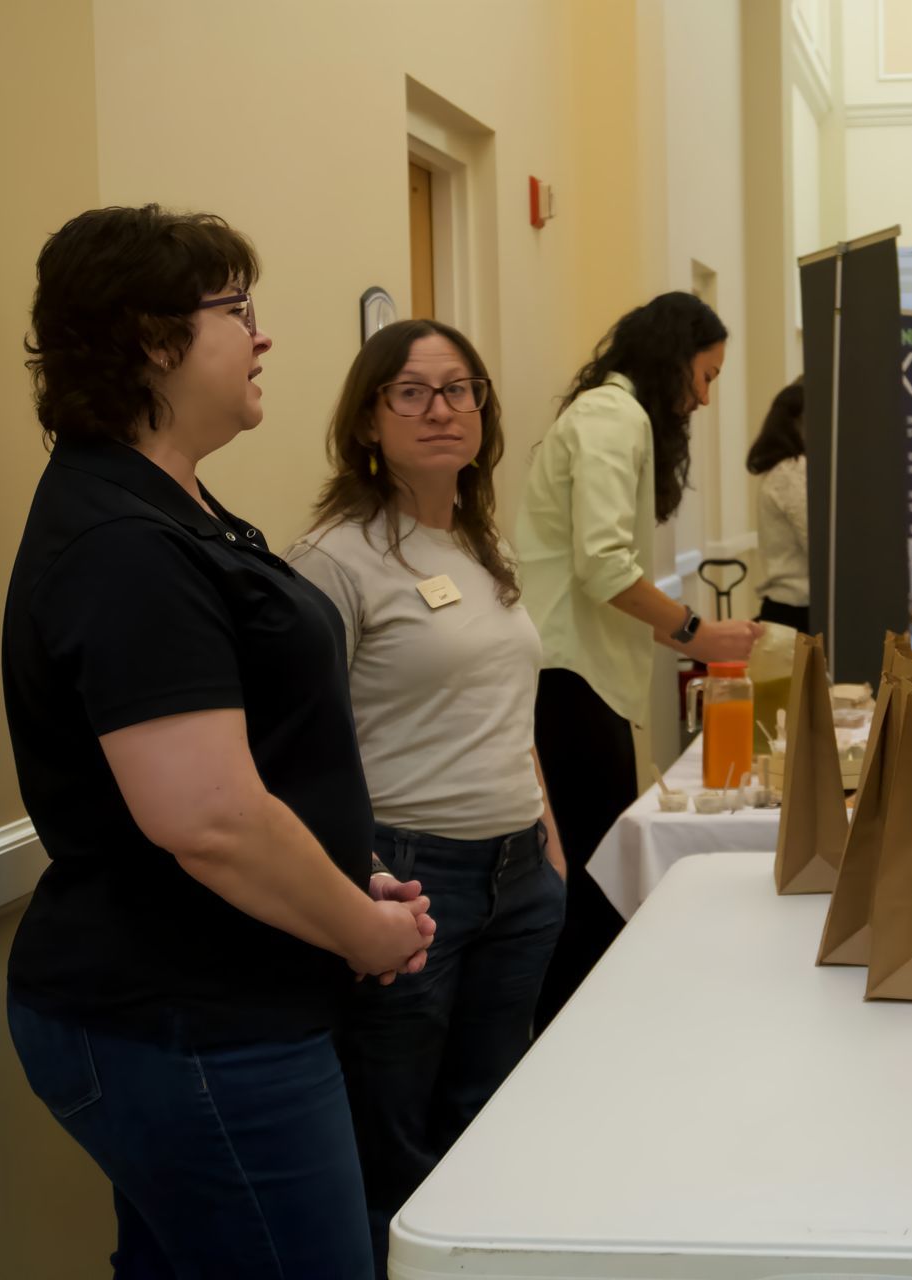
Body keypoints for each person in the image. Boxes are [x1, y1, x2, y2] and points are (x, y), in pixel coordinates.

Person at [1, 205, 434, 1277]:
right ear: (154, 339)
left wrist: (350, 881)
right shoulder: (123, 545)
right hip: (191, 1015)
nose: (262, 335)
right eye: (237, 310)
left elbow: (263, 763)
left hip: (219, 1000)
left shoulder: (173, 507)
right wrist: (361, 932)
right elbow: (211, 820)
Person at [285, 318, 567, 1274]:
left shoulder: (485, 546)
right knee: (396, 1151)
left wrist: (549, 841)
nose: (441, 409)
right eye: (411, 391)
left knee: (488, 1124)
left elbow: (507, 709)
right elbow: (296, 747)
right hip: (409, 882)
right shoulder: (335, 560)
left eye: (460, 389)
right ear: (369, 419)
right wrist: (355, 881)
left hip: (519, 876)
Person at [515, 292, 762, 1028]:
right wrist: (697, 633)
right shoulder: (611, 418)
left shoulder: (616, 419)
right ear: (674, 358)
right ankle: (581, 1041)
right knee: (591, 886)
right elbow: (602, 564)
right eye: (707, 376)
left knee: (591, 881)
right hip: (568, 678)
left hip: (583, 675)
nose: (706, 398)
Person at [747, 378, 809, 630]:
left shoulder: (785, 470)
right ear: (798, 423)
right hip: (796, 615)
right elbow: (822, 546)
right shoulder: (791, 472)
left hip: (792, 612)